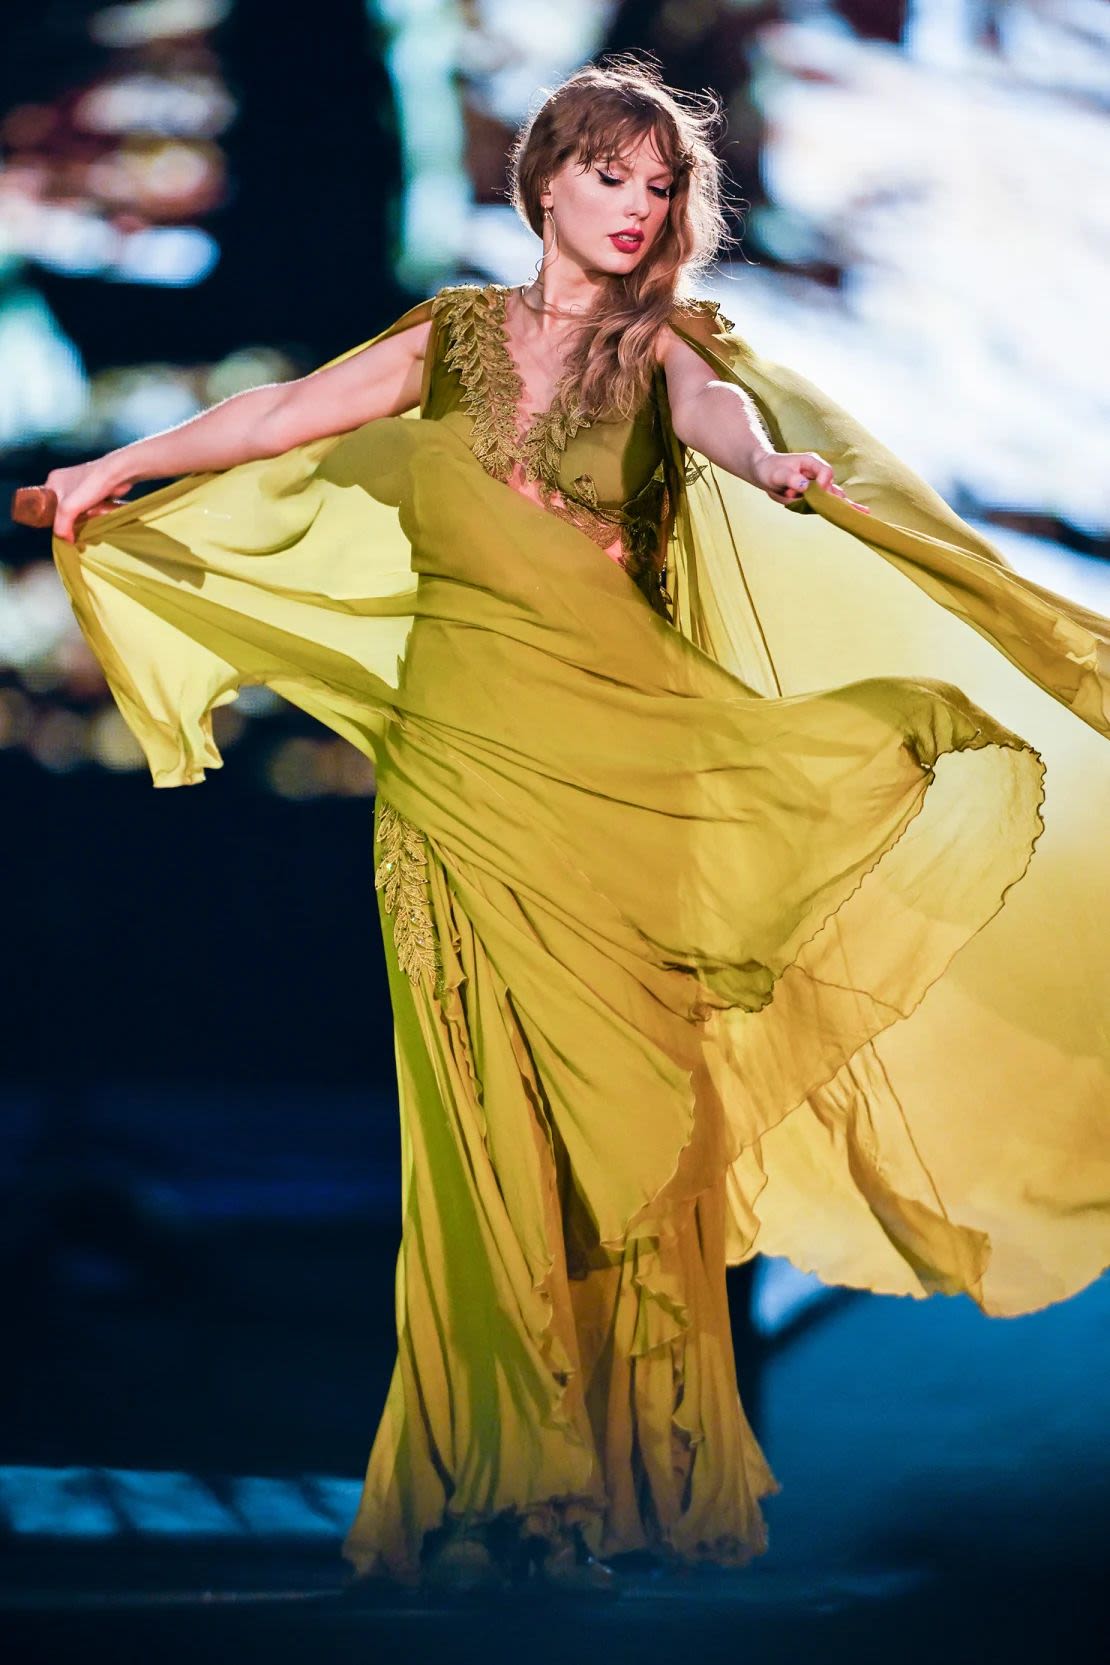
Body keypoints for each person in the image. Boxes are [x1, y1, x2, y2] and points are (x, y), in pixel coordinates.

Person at [42, 58, 1110, 1598]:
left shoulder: (666, 349)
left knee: (620, 1137)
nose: (636, 205)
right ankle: (494, 1477)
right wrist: (116, 464)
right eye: (610, 175)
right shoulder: (452, 340)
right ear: (544, 183)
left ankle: (622, 1475)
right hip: (460, 776)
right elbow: (285, 407)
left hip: (629, 783)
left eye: (661, 184)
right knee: (478, 1131)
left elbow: (725, 418)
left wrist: (771, 462)